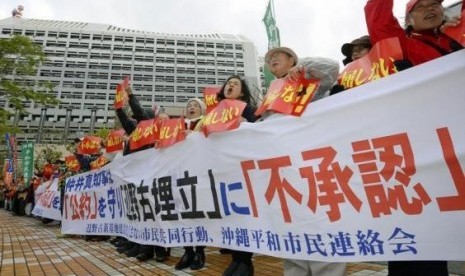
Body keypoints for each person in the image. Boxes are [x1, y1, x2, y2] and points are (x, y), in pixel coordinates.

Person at [264, 46, 346, 276]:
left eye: (277, 56)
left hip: (313, 163)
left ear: (292, 59)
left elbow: (331, 68)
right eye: (269, 59)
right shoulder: (271, 93)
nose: (272, 60)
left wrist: (304, 68)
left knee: (321, 223)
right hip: (284, 169)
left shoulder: (307, 78)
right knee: (292, 229)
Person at [205, 75, 257, 276]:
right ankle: (236, 258)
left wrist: (247, 123)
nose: (230, 86)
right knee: (229, 214)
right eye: (228, 83)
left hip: (241, 170)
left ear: (242, 92)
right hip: (221, 170)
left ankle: (246, 261)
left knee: (243, 213)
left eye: (235, 84)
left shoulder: (248, 109)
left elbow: (260, 131)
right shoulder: (212, 114)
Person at [365, 0, 464, 66]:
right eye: (420, 7)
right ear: (408, 20)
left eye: (434, 4)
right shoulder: (403, 45)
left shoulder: (457, 30)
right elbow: (380, 24)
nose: (430, 9)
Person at [174, 98, 208, 271]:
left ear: (202, 109)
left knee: (198, 212)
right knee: (182, 213)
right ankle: (187, 251)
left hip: (198, 174)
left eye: (195, 105)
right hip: (179, 175)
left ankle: (200, 251)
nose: (191, 107)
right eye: (188, 106)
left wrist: (194, 136)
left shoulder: (205, 123)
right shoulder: (177, 126)